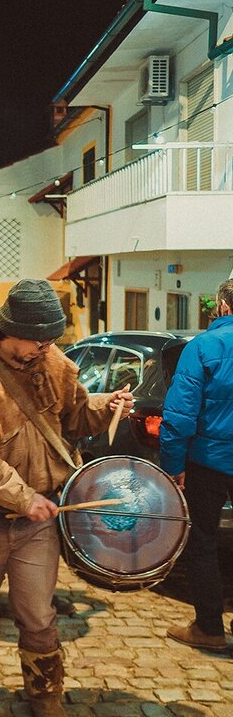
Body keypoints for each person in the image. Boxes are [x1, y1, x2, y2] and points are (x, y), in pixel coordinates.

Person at [0, 279, 132, 717]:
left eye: (50, 340)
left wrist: (106, 406)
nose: (45, 348)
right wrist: (24, 499)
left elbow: (74, 418)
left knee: (38, 611)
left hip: (37, 521)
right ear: (10, 330)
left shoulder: (52, 363)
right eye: (38, 340)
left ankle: (44, 690)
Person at [161, 278, 233, 651]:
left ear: (222, 306)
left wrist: (173, 466)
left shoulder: (203, 347)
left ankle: (209, 628)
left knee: (202, 541)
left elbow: (179, 417)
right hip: (213, 458)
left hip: (208, 462)